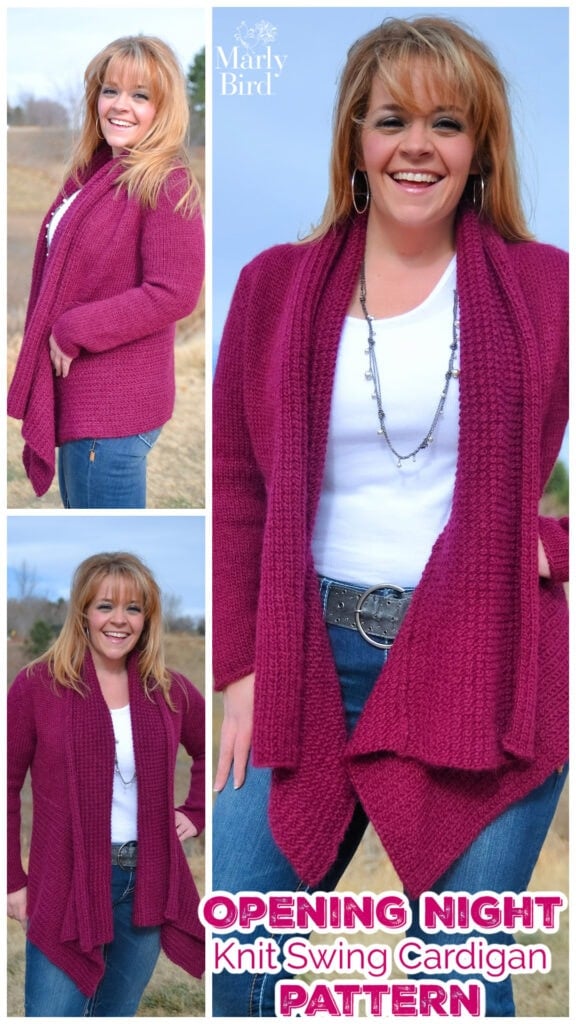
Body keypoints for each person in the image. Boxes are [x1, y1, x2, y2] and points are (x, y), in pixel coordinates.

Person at [211, 15, 568, 1018]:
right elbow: (239, 488)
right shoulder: (274, 287)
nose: (418, 144)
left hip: (487, 662)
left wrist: (538, 547)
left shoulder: (549, 292)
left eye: (447, 123)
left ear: (480, 148)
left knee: (458, 975)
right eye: (392, 119)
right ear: (355, 142)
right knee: (245, 961)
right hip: (304, 654)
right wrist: (239, 666)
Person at [8, 35, 204, 508]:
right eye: (110, 90)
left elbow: (175, 291)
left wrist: (74, 327)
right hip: (88, 401)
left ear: (164, 109)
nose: (120, 105)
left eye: (141, 95)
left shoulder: (165, 179)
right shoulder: (97, 173)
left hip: (112, 411)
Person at [7, 552, 205, 1017]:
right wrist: (13, 879)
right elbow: (6, 785)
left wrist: (195, 812)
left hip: (147, 884)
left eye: (133, 608)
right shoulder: (37, 686)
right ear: (82, 613)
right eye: (105, 606)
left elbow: (209, 752)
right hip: (66, 883)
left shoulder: (168, 689)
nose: (119, 621)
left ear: (147, 617)